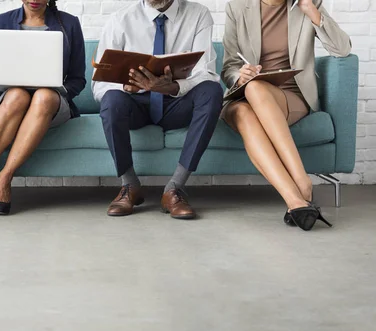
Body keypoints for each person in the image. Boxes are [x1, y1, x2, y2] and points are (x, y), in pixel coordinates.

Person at [221, 0, 351, 231]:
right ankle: (298, 196)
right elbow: (229, 65)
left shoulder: (308, 4)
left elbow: (342, 49)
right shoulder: (238, 7)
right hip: (243, 96)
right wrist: (240, 76)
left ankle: (299, 189)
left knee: (256, 89)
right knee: (245, 102)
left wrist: (312, 10)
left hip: (290, 95)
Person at [93, 0, 223, 220]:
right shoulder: (119, 20)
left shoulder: (198, 14)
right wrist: (127, 86)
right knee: (112, 99)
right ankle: (129, 185)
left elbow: (206, 73)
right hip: (136, 105)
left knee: (212, 91)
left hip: (175, 103)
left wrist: (171, 87)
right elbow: (99, 85)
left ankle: (175, 188)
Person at [0, 0, 86, 216]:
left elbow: (78, 79)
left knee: (42, 96)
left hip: (52, 103)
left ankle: (5, 176)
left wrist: (55, 88)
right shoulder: (1, 21)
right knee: (17, 96)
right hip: (13, 100)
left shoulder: (69, 24)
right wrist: (6, 81)